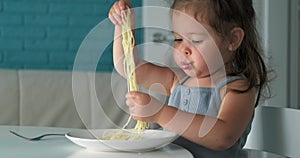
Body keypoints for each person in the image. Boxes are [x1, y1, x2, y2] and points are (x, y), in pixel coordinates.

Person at [109, 0, 271, 157]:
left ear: (233, 39)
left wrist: (160, 114)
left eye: (196, 40)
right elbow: (128, 67)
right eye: (178, 39)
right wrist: (123, 26)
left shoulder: (237, 89)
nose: (182, 49)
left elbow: (223, 137)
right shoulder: (176, 79)